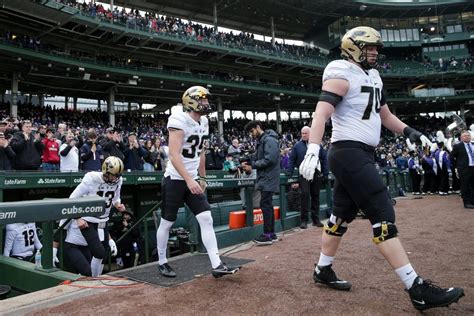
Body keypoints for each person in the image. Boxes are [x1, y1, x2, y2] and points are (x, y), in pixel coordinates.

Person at [298, 26, 464, 311]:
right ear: (353, 48)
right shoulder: (341, 70)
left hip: (359, 153)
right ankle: (416, 287)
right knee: (382, 211)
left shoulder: (373, 76)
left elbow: (385, 115)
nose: (375, 52)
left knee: (341, 215)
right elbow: (322, 110)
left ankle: (323, 269)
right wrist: (313, 147)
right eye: (369, 47)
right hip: (347, 151)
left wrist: (410, 131)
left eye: (376, 47)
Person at [156, 86, 240, 278]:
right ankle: (162, 262)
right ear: (191, 101)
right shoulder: (178, 119)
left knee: (206, 218)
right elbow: (174, 155)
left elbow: (201, 152)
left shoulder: (204, 121)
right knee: (167, 222)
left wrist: (201, 177)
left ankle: (217, 264)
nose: (205, 103)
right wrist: (189, 179)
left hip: (192, 178)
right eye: (201, 100)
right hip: (175, 179)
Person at [62, 156, 125, 276]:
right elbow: (72, 199)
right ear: (105, 171)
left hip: (103, 220)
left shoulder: (118, 181)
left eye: (118, 175)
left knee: (104, 254)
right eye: (113, 175)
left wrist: (118, 205)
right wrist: (78, 218)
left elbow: (116, 197)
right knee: (99, 252)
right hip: (89, 219)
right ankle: (94, 279)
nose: (115, 178)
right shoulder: (91, 178)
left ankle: (95, 278)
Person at [243, 120, 280, 245]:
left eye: (252, 131)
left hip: (268, 177)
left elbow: (270, 159)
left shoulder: (269, 139)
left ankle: (268, 234)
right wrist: (249, 161)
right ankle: (272, 234)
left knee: (266, 205)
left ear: (258, 127)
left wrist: (252, 165)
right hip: (266, 177)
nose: (251, 134)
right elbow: (261, 157)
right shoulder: (264, 139)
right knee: (267, 205)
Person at [287, 126, 328, 228]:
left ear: (311, 134)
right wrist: (290, 171)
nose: (304, 135)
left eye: (306, 133)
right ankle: (304, 220)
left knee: (315, 196)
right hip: (303, 174)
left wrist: (325, 173)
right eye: (302, 133)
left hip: (316, 173)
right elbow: (291, 159)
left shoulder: (317, 145)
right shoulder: (297, 146)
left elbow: (324, 158)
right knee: (304, 195)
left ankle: (315, 219)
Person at [450, 130, 474, 208]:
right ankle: (466, 203)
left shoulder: (473, 144)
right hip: (464, 169)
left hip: (473, 168)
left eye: (468, 135)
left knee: (473, 185)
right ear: (461, 137)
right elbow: (451, 157)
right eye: (465, 136)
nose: (467, 137)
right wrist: (457, 165)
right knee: (465, 186)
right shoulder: (458, 146)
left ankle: (472, 201)